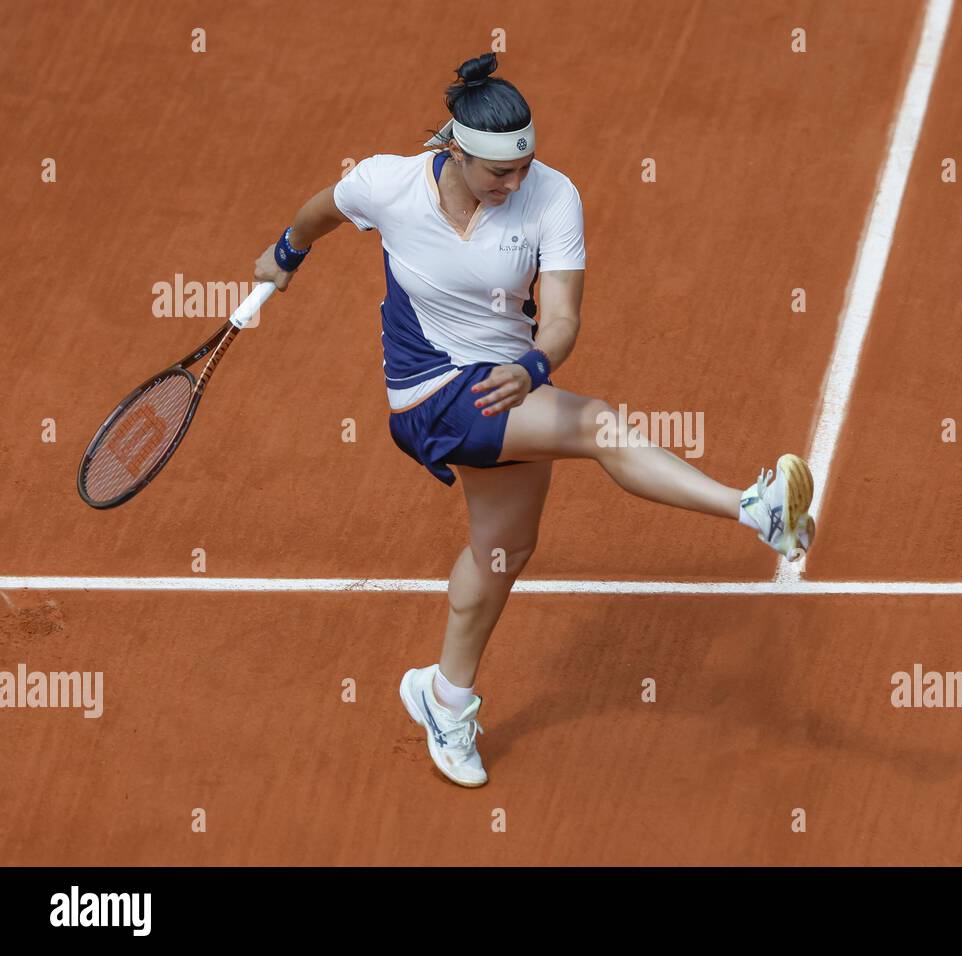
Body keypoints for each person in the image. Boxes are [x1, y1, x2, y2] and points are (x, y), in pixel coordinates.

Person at [253, 52, 815, 788]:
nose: (514, 185)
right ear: (454, 152)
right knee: (596, 425)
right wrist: (286, 252)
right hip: (429, 392)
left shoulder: (554, 198)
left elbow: (562, 319)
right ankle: (753, 508)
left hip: (512, 385)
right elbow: (324, 208)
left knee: (502, 551)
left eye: (523, 169)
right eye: (498, 175)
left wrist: (535, 368)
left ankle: (444, 699)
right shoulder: (387, 184)